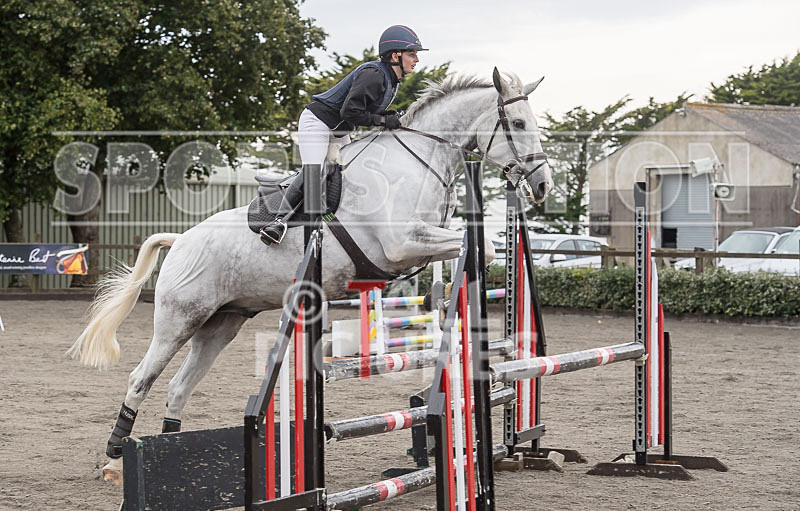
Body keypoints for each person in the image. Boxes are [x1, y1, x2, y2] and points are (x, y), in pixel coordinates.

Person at [259, 25, 427, 245]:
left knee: (349, 173)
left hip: (339, 129)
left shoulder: (392, 80)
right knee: (314, 171)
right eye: (412, 54)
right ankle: (278, 222)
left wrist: (387, 116)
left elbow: (364, 111)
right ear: (395, 55)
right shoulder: (374, 74)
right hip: (318, 122)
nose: (416, 59)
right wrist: (382, 120)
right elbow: (350, 111)